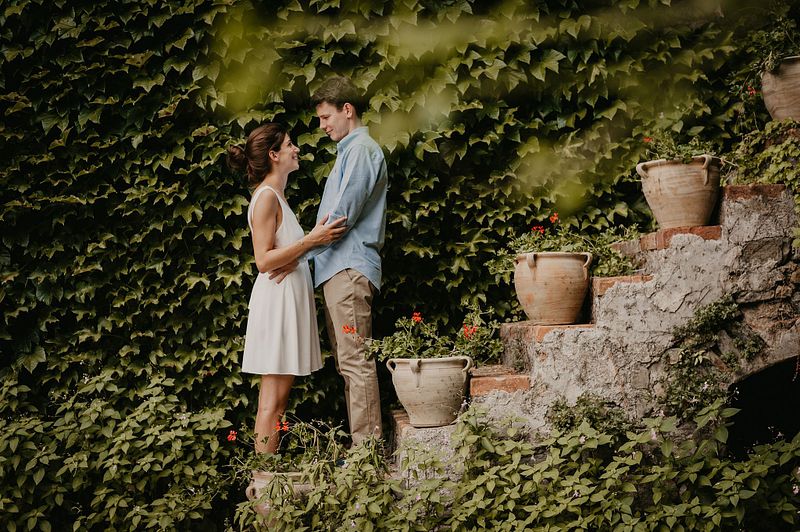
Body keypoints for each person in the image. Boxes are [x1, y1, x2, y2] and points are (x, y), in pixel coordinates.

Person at [227, 123, 347, 453]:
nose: (297, 149)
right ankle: (264, 485)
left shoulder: (278, 196)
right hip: (276, 304)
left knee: (279, 403)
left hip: (287, 302)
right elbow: (264, 260)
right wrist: (311, 240)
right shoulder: (266, 197)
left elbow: (282, 252)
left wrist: (303, 250)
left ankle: (268, 478)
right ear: (274, 154)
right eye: (290, 144)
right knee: (271, 403)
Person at [310, 76, 388, 445]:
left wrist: (294, 254)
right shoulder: (349, 152)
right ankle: (363, 452)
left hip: (348, 271)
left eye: (326, 117)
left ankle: (367, 455)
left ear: (347, 110)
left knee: (355, 361)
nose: (323, 126)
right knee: (349, 363)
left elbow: (341, 217)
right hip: (336, 272)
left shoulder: (361, 150)